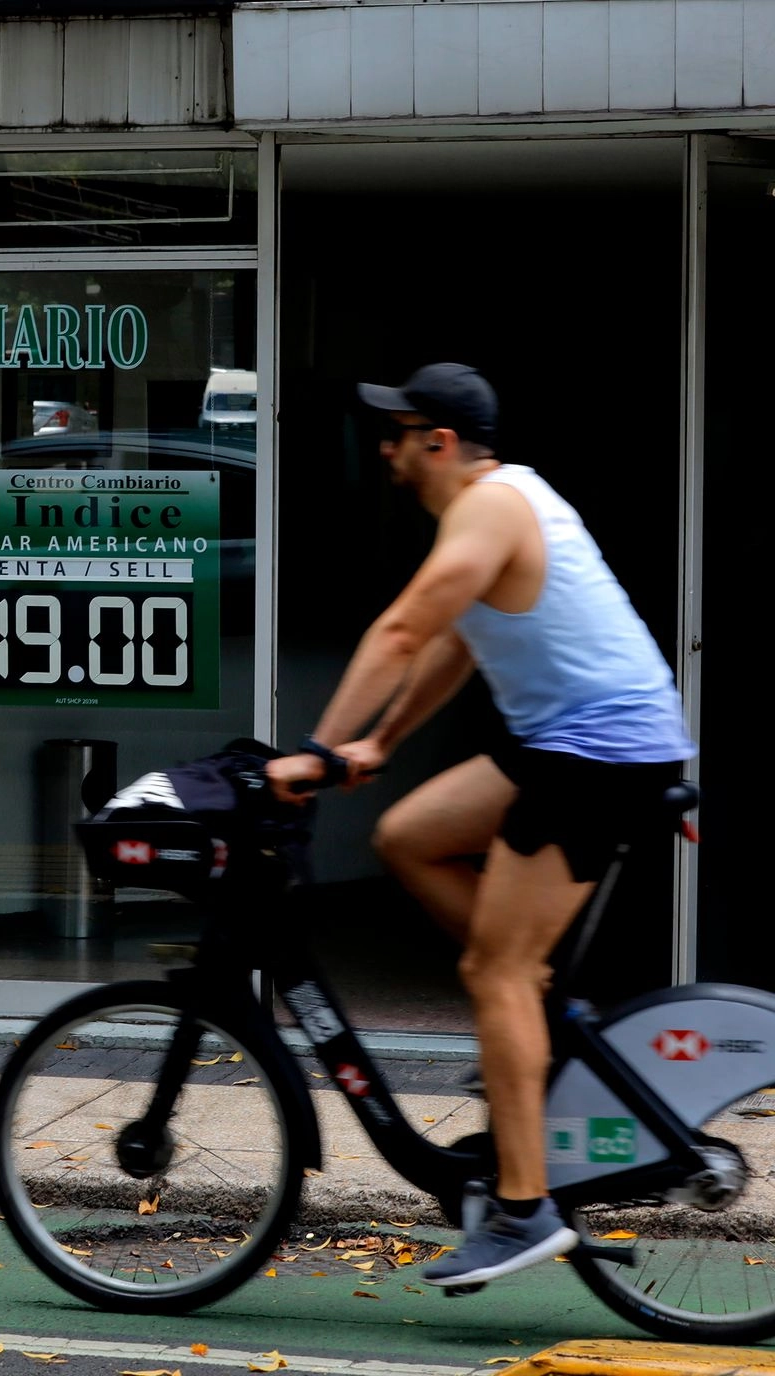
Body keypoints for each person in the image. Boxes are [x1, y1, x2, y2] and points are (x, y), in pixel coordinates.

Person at [266, 362, 696, 1287]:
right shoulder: (502, 508)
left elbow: (403, 631)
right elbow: (459, 642)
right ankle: (531, 1013)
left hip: (597, 758)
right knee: (408, 836)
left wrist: (314, 748)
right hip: (566, 748)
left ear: (442, 443)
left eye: (399, 432)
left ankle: (523, 1209)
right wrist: (378, 744)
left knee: (489, 968)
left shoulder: (490, 508)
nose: (385, 450)